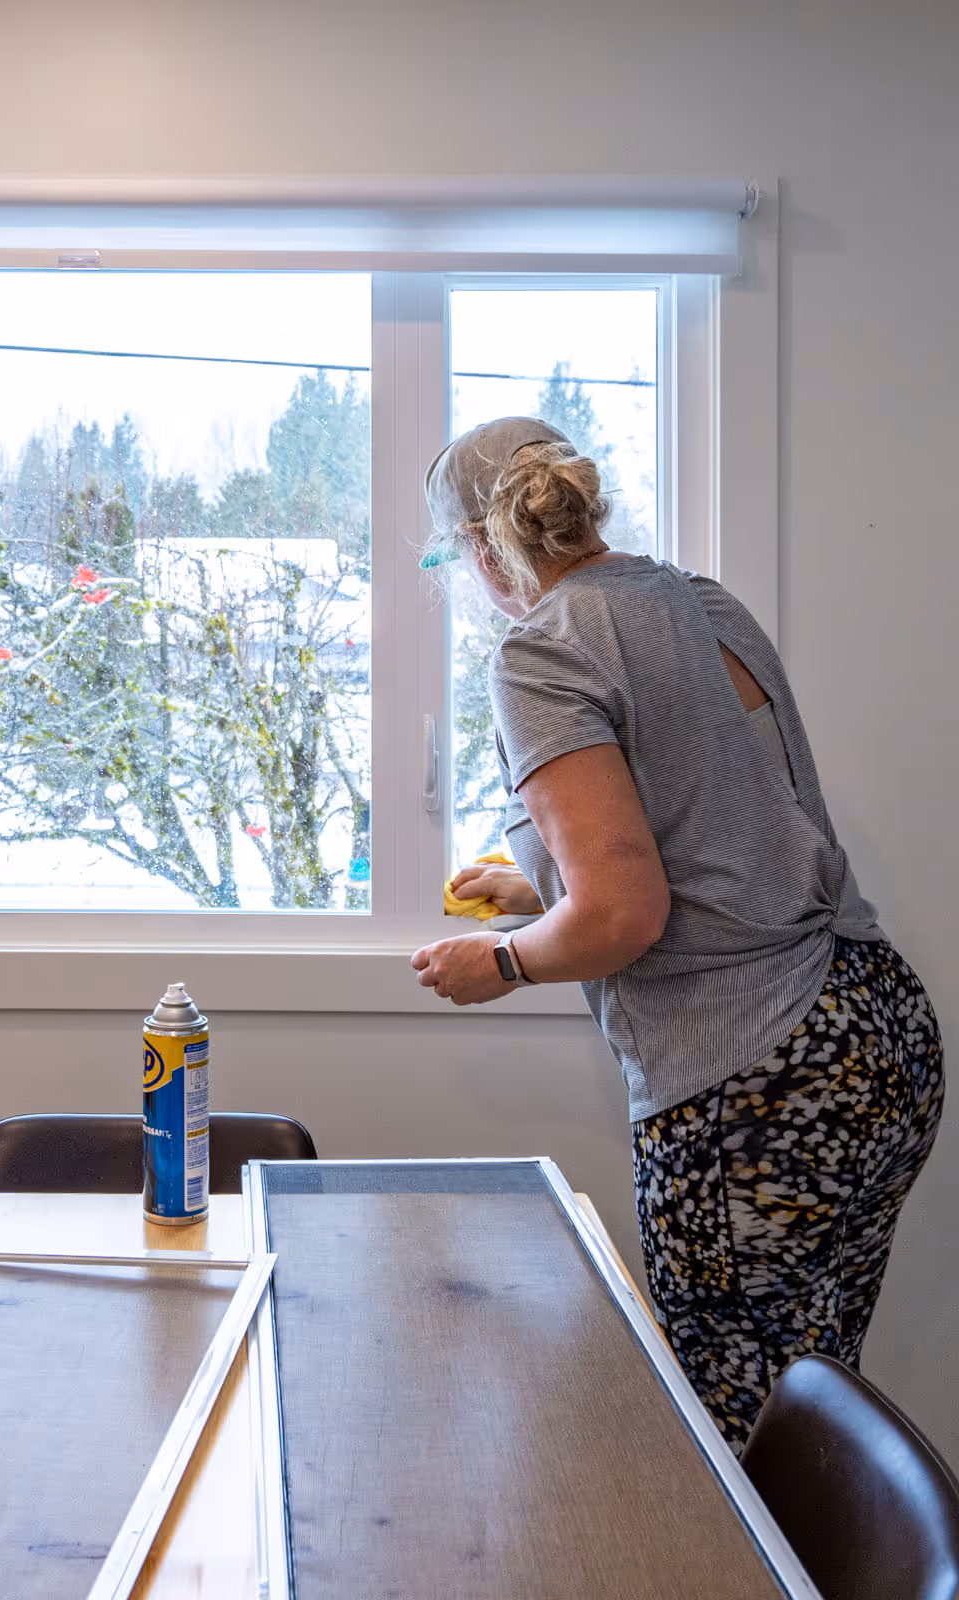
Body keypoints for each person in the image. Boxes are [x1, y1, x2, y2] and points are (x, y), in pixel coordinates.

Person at [409, 416, 944, 1447]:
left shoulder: (542, 650)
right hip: (873, 1034)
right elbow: (722, 829)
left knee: (731, 1419)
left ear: (480, 546)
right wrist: (539, 892)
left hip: (752, 1071)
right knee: (812, 1403)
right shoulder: (701, 601)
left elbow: (624, 913)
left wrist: (503, 961)